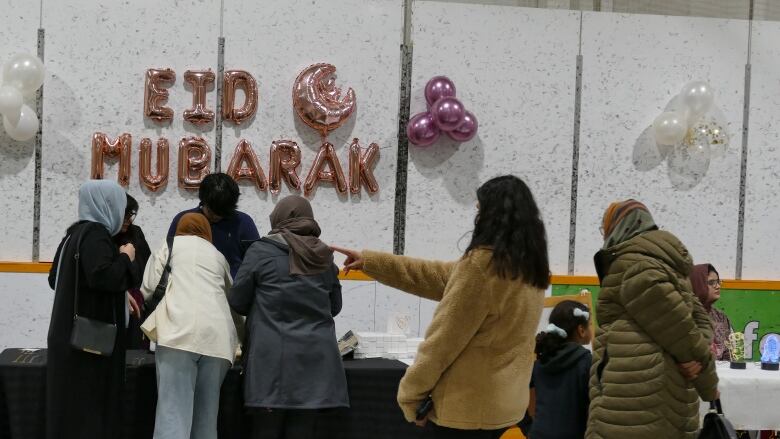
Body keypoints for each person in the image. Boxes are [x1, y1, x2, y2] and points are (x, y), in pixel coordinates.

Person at [333, 175, 549, 439]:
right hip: (505, 404)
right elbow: (434, 275)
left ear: (493, 215)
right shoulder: (530, 268)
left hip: (466, 408)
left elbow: (443, 341)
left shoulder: (482, 266)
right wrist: (371, 262)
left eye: (480, 210)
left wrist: (411, 396)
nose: (477, 218)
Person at [587, 199, 718, 439]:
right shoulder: (667, 266)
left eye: (606, 227)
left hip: (635, 395)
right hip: (662, 392)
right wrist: (696, 360)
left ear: (620, 227)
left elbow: (682, 329)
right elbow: (698, 321)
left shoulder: (636, 266)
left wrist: (707, 380)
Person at [229, 195, 348, 439]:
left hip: (272, 360)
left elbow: (238, 301)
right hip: (316, 361)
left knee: (266, 430)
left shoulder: (261, 251)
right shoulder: (324, 256)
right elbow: (335, 306)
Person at [46, 180, 139, 439]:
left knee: (70, 411)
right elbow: (104, 277)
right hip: (90, 345)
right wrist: (125, 257)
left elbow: (55, 279)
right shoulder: (97, 235)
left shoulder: (73, 234)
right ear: (109, 205)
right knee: (91, 413)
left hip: (68, 337)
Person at [141, 213, 239, 439]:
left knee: (173, 415)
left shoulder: (170, 245)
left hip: (177, 335)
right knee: (206, 420)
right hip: (218, 341)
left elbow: (148, 288)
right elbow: (233, 301)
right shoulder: (218, 256)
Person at [167, 172, 260, 278]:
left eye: (223, 213)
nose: (216, 217)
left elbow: (256, 263)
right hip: (189, 287)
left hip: (232, 290)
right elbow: (169, 258)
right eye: (211, 212)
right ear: (203, 201)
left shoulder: (243, 222)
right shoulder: (184, 221)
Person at [528, 300, 592, 439]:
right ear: (581, 330)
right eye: (590, 325)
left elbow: (524, 399)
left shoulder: (540, 361)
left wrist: (529, 427)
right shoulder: (587, 361)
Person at [114, 193, 151, 349]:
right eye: (125, 214)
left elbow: (148, 263)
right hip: (116, 302)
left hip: (138, 301)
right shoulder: (103, 236)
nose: (129, 219)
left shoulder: (136, 232)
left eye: (131, 214)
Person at [690, 264, 733, 361]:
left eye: (718, 282)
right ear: (697, 285)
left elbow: (728, 354)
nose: (717, 286)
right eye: (711, 282)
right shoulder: (684, 316)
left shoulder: (721, 317)